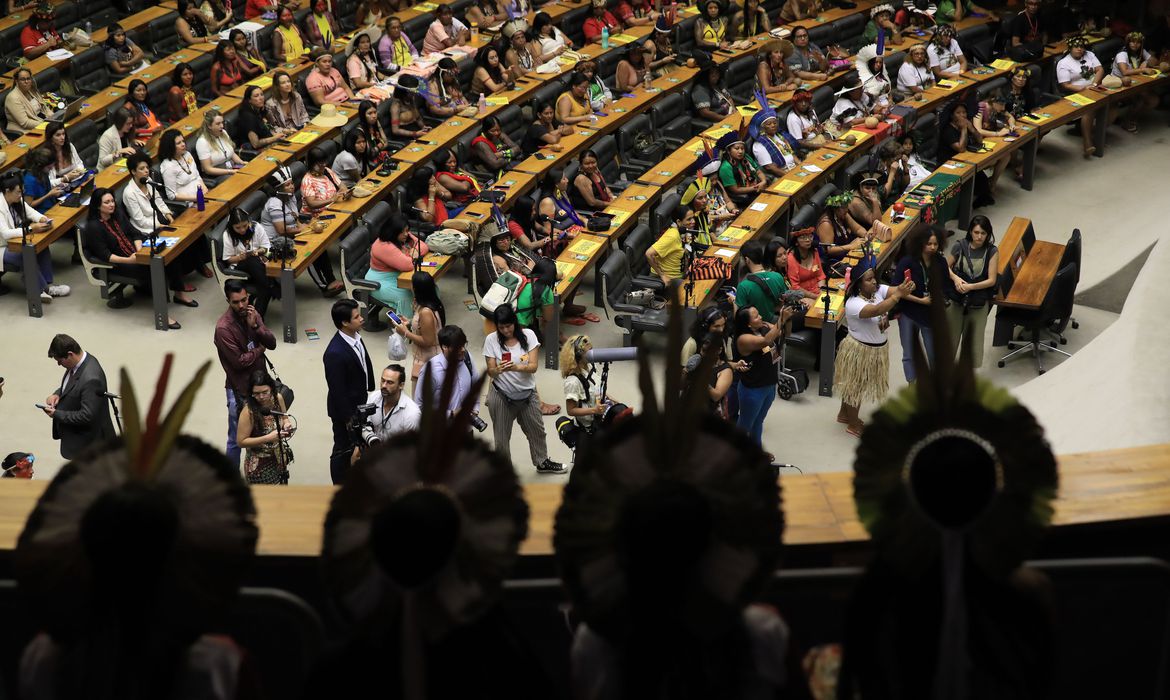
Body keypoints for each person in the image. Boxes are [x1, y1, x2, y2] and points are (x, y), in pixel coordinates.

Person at [82, 188, 196, 329]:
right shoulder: (93, 227)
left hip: (136, 253)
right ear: (97, 205)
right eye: (107, 202)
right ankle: (162, 314)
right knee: (155, 269)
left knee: (169, 255)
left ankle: (179, 294)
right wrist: (130, 260)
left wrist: (139, 251)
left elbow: (134, 233)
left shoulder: (117, 214)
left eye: (112, 201)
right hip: (120, 263)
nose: (111, 204)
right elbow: (106, 255)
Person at [834, 260, 914, 437]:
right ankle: (853, 425)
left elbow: (892, 290)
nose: (874, 282)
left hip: (874, 350)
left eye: (874, 278)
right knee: (855, 388)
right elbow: (877, 310)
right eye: (869, 280)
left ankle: (844, 415)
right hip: (859, 351)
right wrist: (897, 296)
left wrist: (903, 286)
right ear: (858, 284)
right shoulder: (853, 303)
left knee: (852, 386)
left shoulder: (876, 291)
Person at [484, 305, 566, 474]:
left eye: (509, 326)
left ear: (515, 322)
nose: (506, 330)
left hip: (528, 395)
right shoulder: (491, 340)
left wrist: (515, 367)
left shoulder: (529, 335)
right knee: (501, 438)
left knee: (537, 431)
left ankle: (542, 462)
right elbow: (490, 370)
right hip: (501, 396)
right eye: (501, 327)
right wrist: (497, 369)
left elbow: (533, 367)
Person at [214, 279, 278, 467]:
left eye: (244, 300)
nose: (241, 305)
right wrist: (259, 349)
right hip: (239, 388)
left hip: (259, 385)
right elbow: (239, 362)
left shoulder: (253, 313)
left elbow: (272, 343)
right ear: (228, 301)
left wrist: (257, 327)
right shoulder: (223, 329)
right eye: (236, 302)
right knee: (236, 438)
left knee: (264, 429)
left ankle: (264, 466)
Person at [262, 166, 344, 296]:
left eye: (291, 183)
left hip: (290, 236)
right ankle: (325, 286)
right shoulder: (274, 204)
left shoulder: (290, 197)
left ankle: (330, 279)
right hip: (276, 243)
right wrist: (301, 229)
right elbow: (281, 230)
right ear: (279, 189)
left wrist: (303, 227)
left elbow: (296, 218)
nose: (291, 187)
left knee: (318, 245)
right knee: (308, 252)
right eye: (287, 185)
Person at [324, 299, 375, 484]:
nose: (362, 319)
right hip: (345, 413)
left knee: (358, 447)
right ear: (345, 323)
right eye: (357, 316)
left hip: (359, 404)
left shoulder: (355, 337)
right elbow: (338, 391)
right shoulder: (334, 353)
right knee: (343, 449)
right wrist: (349, 419)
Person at [42, 334, 115, 459]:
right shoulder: (79, 364)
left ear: (70, 354)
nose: (59, 364)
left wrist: (56, 414)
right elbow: (74, 386)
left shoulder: (91, 378)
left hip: (89, 445)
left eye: (60, 360)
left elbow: (87, 415)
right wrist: (57, 394)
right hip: (79, 439)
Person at [1, 172, 68, 304]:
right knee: (25, 255)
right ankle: (43, 289)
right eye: (18, 192)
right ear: (7, 191)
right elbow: (5, 234)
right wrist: (31, 229)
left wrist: (43, 219)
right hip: (2, 247)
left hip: (13, 241)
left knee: (40, 246)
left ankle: (46, 284)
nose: (21, 195)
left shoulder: (15, 199)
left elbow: (31, 212)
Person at [944, 215, 998, 369]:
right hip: (956, 300)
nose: (979, 236)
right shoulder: (960, 246)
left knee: (973, 343)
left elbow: (991, 280)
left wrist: (969, 287)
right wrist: (955, 279)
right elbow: (945, 267)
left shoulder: (992, 251)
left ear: (988, 234)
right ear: (970, 232)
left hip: (978, 303)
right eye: (976, 232)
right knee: (950, 340)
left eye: (983, 233)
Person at [732, 304, 787, 456]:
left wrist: (787, 319)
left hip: (769, 385)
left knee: (758, 421)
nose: (761, 317)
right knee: (745, 425)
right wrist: (781, 318)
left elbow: (782, 332)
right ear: (748, 324)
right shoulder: (743, 339)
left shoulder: (763, 326)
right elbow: (765, 341)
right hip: (752, 390)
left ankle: (756, 452)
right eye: (756, 316)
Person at [894, 225, 943, 383]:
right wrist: (920, 300)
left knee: (933, 353)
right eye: (929, 244)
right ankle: (912, 384)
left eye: (935, 244)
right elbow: (895, 289)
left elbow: (945, 286)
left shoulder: (940, 262)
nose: (933, 247)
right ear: (920, 243)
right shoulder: (907, 262)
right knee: (909, 353)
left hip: (929, 316)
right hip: (909, 314)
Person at [237, 369, 295, 484]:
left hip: (278, 459)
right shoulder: (248, 411)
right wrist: (268, 438)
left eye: (265, 392)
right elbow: (241, 441)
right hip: (258, 467)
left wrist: (287, 425)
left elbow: (284, 417)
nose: (261, 397)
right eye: (256, 394)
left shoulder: (277, 398)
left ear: (272, 388)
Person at [366, 213, 428, 315]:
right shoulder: (383, 246)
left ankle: (428, 316)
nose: (406, 234)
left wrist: (414, 251)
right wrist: (414, 255)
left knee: (428, 286)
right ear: (392, 232)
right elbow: (407, 265)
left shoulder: (402, 235)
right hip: (380, 281)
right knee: (405, 296)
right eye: (402, 232)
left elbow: (424, 247)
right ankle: (407, 326)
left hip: (397, 274)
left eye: (407, 230)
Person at [414, 325, 481, 418]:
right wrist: (451, 414)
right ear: (444, 347)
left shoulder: (467, 358)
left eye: (464, 345)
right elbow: (420, 405)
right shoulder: (432, 371)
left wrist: (475, 408)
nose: (463, 350)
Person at [221, 209, 276, 317]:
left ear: (249, 222)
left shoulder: (257, 227)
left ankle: (257, 318)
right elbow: (228, 259)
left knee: (263, 288)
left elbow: (266, 247)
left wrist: (259, 251)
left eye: (245, 226)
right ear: (232, 226)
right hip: (241, 266)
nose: (242, 230)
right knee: (252, 263)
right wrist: (239, 257)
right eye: (238, 227)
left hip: (258, 264)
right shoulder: (227, 235)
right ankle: (271, 288)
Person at [1057, 35, 1105, 159]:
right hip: (1076, 92)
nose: (1080, 49)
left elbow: (1099, 70)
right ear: (1070, 48)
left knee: (1112, 103)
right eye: (1076, 47)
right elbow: (1065, 85)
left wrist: (1094, 84)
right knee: (1090, 109)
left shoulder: (1089, 55)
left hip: (1095, 87)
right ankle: (1087, 143)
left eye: (1082, 47)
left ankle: (1094, 132)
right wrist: (1084, 89)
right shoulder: (1063, 63)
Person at [357, 364, 421, 454]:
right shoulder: (374, 398)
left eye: (390, 382)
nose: (384, 385)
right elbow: (365, 424)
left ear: (401, 385)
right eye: (382, 380)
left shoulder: (412, 414)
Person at [736, 240, 789, 324]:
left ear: (746, 259)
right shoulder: (778, 276)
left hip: (756, 330)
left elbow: (738, 317)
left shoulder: (743, 286)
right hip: (776, 325)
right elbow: (783, 302)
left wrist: (733, 302)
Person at [122, 151, 176, 234]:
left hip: (162, 219)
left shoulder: (149, 181)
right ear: (133, 171)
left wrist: (169, 216)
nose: (146, 171)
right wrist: (160, 225)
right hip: (149, 229)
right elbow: (140, 220)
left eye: (147, 167)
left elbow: (159, 202)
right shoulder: (129, 193)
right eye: (142, 168)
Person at [817, 190, 870, 271]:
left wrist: (866, 235)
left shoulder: (843, 214)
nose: (847, 209)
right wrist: (851, 246)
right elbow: (829, 250)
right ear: (835, 208)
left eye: (846, 206)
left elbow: (858, 229)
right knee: (865, 267)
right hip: (836, 263)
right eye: (843, 207)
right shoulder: (826, 224)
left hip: (848, 254)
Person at [646, 206, 696, 284]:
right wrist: (662, 276)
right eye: (689, 219)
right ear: (679, 222)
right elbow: (649, 254)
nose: (693, 221)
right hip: (669, 281)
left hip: (681, 275)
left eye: (693, 218)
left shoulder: (682, 232)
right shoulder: (672, 237)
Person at [158, 129, 208, 204]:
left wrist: (205, 189)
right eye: (178, 143)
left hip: (203, 195)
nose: (183, 144)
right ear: (170, 146)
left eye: (183, 141)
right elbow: (172, 195)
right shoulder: (168, 166)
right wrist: (196, 198)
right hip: (189, 203)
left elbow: (197, 176)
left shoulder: (187, 154)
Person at [717, 131, 766, 206]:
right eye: (736, 149)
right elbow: (735, 190)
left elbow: (758, 172)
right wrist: (756, 187)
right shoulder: (726, 167)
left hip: (756, 186)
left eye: (742, 148)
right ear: (729, 151)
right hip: (745, 194)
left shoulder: (746, 157)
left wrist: (763, 181)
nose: (740, 151)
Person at [238, 85, 291, 151]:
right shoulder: (248, 117)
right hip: (258, 151)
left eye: (262, 94)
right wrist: (275, 138)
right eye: (256, 96)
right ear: (249, 100)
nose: (261, 98)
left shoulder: (260, 110)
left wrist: (282, 132)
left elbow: (268, 129)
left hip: (271, 142)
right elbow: (255, 144)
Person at [750, 108, 799, 179]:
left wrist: (801, 166)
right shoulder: (759, 145)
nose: (773, 125)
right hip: (783, 173)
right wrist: (790, 176)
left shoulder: (780, 135)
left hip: (794, 167)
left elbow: (791, 153)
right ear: (762, 127)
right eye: (769, 124)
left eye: (775, 123)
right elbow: (770, 167)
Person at [301, 145, 350, 215]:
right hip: (317, 215)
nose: (324, 164)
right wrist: (331, 200)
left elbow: (342, 186)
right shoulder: (307, 180)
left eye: (325, 161)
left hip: (333, 207)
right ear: (312, 163)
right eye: (321, 163)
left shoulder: (327, 171)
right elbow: (312, 204)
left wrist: (345, 193)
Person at [195, 110, 245, 179]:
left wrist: (242, 163)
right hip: (217, 175)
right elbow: (208, 169)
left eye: (222, 122)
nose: (222, 126)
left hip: (231, 168)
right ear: (209, 126)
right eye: (218, 124)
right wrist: (229, 171)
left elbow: (232, 153)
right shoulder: (202, 142)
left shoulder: (223, 133)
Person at [433, 148, 481, 213]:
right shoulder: (442, 177)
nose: (453, 165)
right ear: (442, 163)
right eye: (449, 162)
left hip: (477, 195)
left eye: (455, 162)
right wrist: (467, 178)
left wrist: (461, 171)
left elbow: (474, 178)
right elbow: (464, 187)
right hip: (467, 203)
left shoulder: (456, 171)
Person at [348, 32, 392, 101]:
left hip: (374, 86)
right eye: (362, 42)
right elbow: (358, 83)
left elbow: (375, 73)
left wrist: (387, 79)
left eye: (368, 42)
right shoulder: (353, 61)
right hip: (362, 91)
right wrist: (375, 85)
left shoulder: (369, 54)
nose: (366, 44)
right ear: (356, 45)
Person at [787, 226, 826, 305]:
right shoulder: (790, 258)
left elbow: (820, 275)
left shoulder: (814, 252)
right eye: (803, 237)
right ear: (796, 242)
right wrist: (815, 297)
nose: (808, 240)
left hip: (819, 291)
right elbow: (795, 286)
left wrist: (821, 291)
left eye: (810, 236)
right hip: (803, 296)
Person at [4, 68, 51, 134]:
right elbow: (25, 123)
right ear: (17, 81)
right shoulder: (12, 98)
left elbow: (45, 108)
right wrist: (46, 125)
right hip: (24, 131)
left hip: (41, 123)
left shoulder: (32, 90)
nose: (26, 81)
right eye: (23, 79)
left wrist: (54, 118)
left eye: (28, 78)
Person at [45, 122, 87, 189]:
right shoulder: (48, 155)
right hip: (62, 187)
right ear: (50, 138)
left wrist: (76, 173)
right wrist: (66, 178)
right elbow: (50, 182)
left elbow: (79, 164)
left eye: (63, 134)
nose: (62, 137)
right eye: (58, 135)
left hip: (77, 180)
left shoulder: (69, 146)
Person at [22, 148, 60, 215]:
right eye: (49, 167)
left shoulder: (43, 172)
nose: (51, 169)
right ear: (39, 166)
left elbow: (45, 189)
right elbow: (29, 205)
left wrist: (57, 187)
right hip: (41, 214)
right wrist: (49, 195)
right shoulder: (29, 181)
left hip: (52, 206)